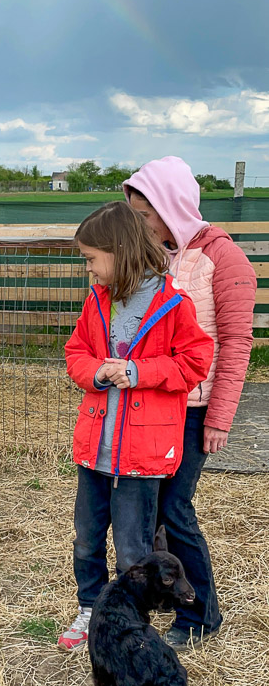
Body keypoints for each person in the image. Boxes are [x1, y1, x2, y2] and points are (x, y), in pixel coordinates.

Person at [58, 201, 214, 652]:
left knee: (132, 553)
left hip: (142, 459)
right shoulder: (97, 302)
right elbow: (75, 353)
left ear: (119, 250)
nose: (89, 270)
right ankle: (91, 608)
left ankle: (130, 621)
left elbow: (195, 361)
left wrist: (138, 372)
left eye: (91, 259)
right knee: (87, 539)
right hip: (96, 450)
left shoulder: (173, 304)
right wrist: (95, 372)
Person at [119, 156, 257, 651]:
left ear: (170, 207)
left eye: (144, 215)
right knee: (154, 509)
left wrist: (219, 418)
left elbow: (237, 343)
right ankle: (169, 599)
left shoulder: (226, 260)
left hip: (196, 409)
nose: (139, 225)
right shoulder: (160, 256)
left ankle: (201, 615)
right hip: (159, 403)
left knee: (175, 508)